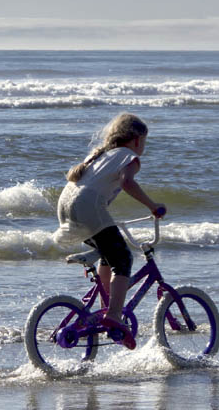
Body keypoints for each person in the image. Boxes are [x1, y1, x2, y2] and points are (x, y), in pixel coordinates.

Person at [54, 113, 166, 349]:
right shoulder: (129, 156)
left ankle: (107, 305)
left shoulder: (101, 155)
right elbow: (127, 183)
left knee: (110, 253)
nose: (143, 147)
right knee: (123, 257)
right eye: (144, 142)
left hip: (65, 208)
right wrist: (152, 206)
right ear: (136, 140)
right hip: (87, 207)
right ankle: (114, 315)